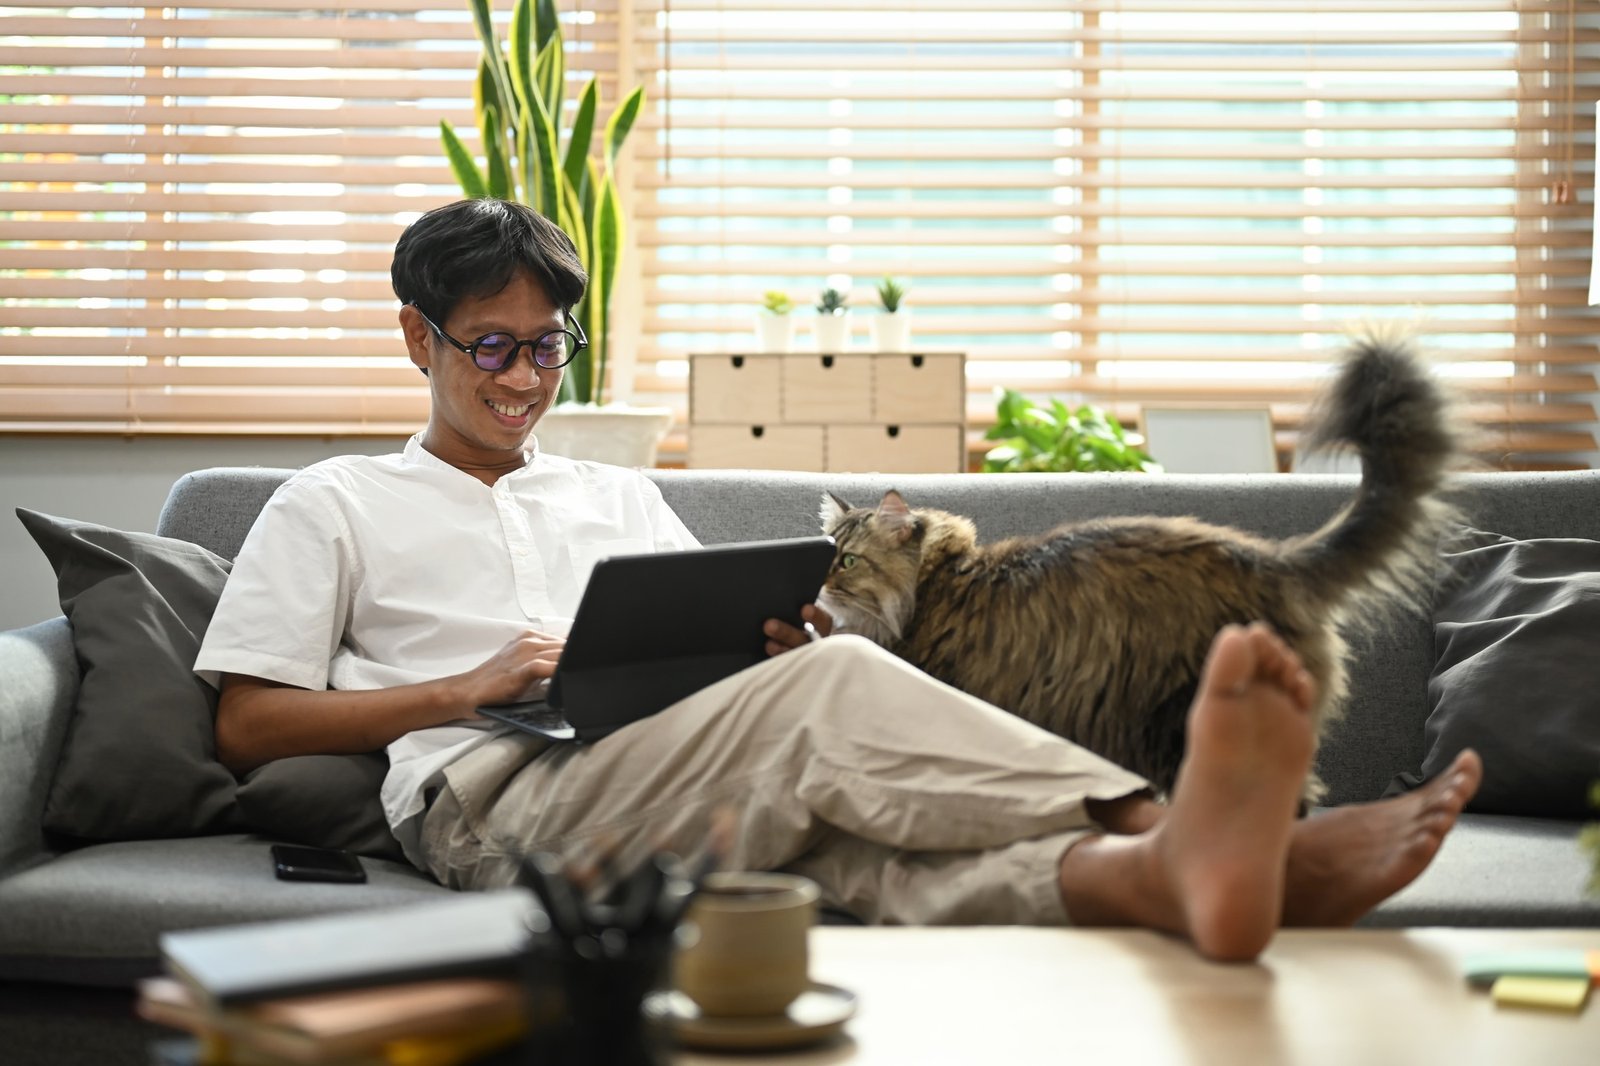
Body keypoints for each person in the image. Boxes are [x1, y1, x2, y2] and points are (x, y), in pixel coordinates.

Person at [196, 198, 1482, 963]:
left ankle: (1159, 880)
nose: (527, 380)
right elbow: (248, 723)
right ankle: (1167, 826)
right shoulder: (332, 501)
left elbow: (684, 652)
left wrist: (759, 643)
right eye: (491, 347)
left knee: (870, 859)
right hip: (493, 798)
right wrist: (458, 687)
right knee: (837, 688)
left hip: (665, 761)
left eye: (546, 347)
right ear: (417, 337)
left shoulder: (612, 493)